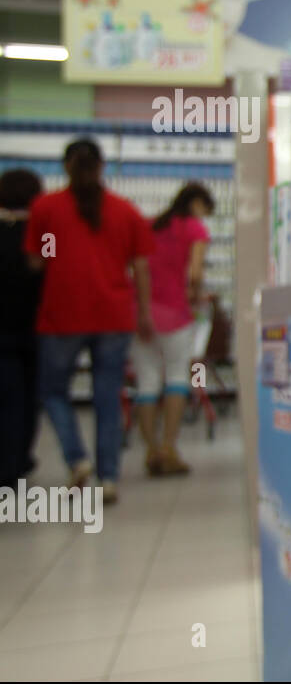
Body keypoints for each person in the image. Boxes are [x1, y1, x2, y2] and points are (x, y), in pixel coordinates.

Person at [24, 140, 154, 505]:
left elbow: (39, 258)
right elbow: (140, 266)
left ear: (66, 167)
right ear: (102, 167)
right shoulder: (125, 211)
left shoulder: (46, 209)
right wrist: (143, 312)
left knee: (52, 391)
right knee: (108, 398)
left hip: (62, 314)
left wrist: (57, 255)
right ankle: (108, 478)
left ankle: (77, 459)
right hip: (113, 314)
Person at [132, 182, 214, 476]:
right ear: (197, 203)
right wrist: (195, 295)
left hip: (140, 312)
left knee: (147, 382)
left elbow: (135, 265)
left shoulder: (149, 224)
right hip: (175, 313)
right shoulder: (195, 229)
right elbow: (194, 273)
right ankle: (169, 448)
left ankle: (151, 451)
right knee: (178, 377)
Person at [0, 169, 44, 489]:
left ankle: (7, 463)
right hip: (36, 325)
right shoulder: (42, 235)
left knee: (7, 397)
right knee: (29, 398)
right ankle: (19, 459)